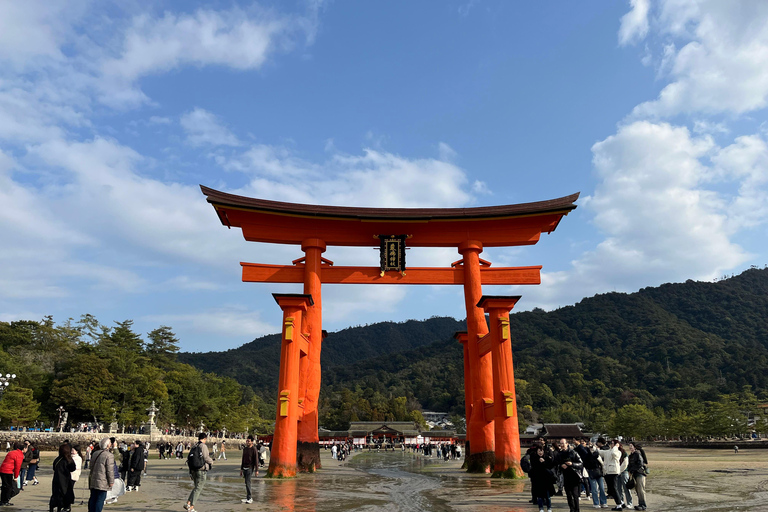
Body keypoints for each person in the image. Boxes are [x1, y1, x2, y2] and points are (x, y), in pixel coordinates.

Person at [184, 432, 214, 512]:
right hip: (201, 469)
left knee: (196, 487)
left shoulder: (194, 446)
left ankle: (188, 503)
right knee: (198, 488)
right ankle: (191, 507)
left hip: (193, 469)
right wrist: (212, 462)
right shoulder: (203, 446)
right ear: (205, 439)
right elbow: (206, 457)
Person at [553, 438, 584, 512]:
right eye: (560, 443)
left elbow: (581, 464)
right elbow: (556, 465)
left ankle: (577, 509)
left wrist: (572, 464)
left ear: (567, 444)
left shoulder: (573, 452)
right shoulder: (559, 454)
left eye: (563, 443)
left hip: (574, 475)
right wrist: (561, 466)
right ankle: (571, 509)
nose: (562, 445)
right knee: (568, 495)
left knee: (575, 495)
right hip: (565, 476)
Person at [88, 437, 115, 512]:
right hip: (103, 480)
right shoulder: (109, 455)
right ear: (107, 445)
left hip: (94, 479)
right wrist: (111, 481)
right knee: (100, 499)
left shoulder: (95, 453)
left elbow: (91, 466)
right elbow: (110, 470)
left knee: (93, 498)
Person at [597, 438, 624, 510]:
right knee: (611, 489)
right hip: (607, 471)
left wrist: (615, 447)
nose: (611, 444)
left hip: (614, 471)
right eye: (611, 443)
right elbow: (601, 452)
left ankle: (619, 504)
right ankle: (620, 502)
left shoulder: (618, 452)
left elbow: (614, 454)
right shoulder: (608, 451)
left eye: (612, 443)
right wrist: (593, 448)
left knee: (614, 488)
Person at [49, 442, 76, 512]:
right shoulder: (68, 460)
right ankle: (65, 507)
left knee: (56, 495)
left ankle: (54, 507)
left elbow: (54, 468)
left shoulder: (57, 459)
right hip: (65, 480)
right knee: (65, 495)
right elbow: (73, 468)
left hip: (56, 480)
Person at [530, 444, 556, 512]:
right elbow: (534, 467)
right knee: (539, 496)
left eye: (541, 451)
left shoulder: (547, 458)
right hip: (538, 479)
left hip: (546, 480)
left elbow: (550, 466)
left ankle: (549, 507)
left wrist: (544, 462)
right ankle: (541, 508)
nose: (540, 452)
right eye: (539, 451)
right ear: (537, 451)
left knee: (547, 496)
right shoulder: (534, 458)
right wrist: (539, 462)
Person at [0, 441, 26, 506]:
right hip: (8, 471)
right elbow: (17, 467)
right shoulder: (19, 455)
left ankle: (3, 500)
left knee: (5, 486)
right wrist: (16, 477)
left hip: (3, 470)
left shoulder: (12, 452)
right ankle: (5, 501)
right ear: (24, 449)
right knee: (9, 487)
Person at [627, 443, 648, 511]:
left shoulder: (637, 454)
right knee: (637, 490)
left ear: (634, 447)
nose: (630, 447)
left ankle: (643, 505)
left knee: (641, 490)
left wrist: (631, 470)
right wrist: (629, 471)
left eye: (631, 446)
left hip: (640, 473)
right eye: (629, 446)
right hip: (635, 474)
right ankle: (640, 504)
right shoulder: (631, 456)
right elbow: (630, 465)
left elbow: (640, 464)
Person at [240, 435, 259, 504]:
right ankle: (248, 497)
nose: (247, 442)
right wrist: (241, 469)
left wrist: (256, 470)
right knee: (246, 482)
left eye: (248, 441)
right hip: (244, 467)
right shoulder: (245, 449)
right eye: (246, 441)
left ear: (252, 442)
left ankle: (250, 498)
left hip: (250, 468)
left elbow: (256, 460)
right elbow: (243, 459)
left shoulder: (254, 449)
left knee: (248, 482)